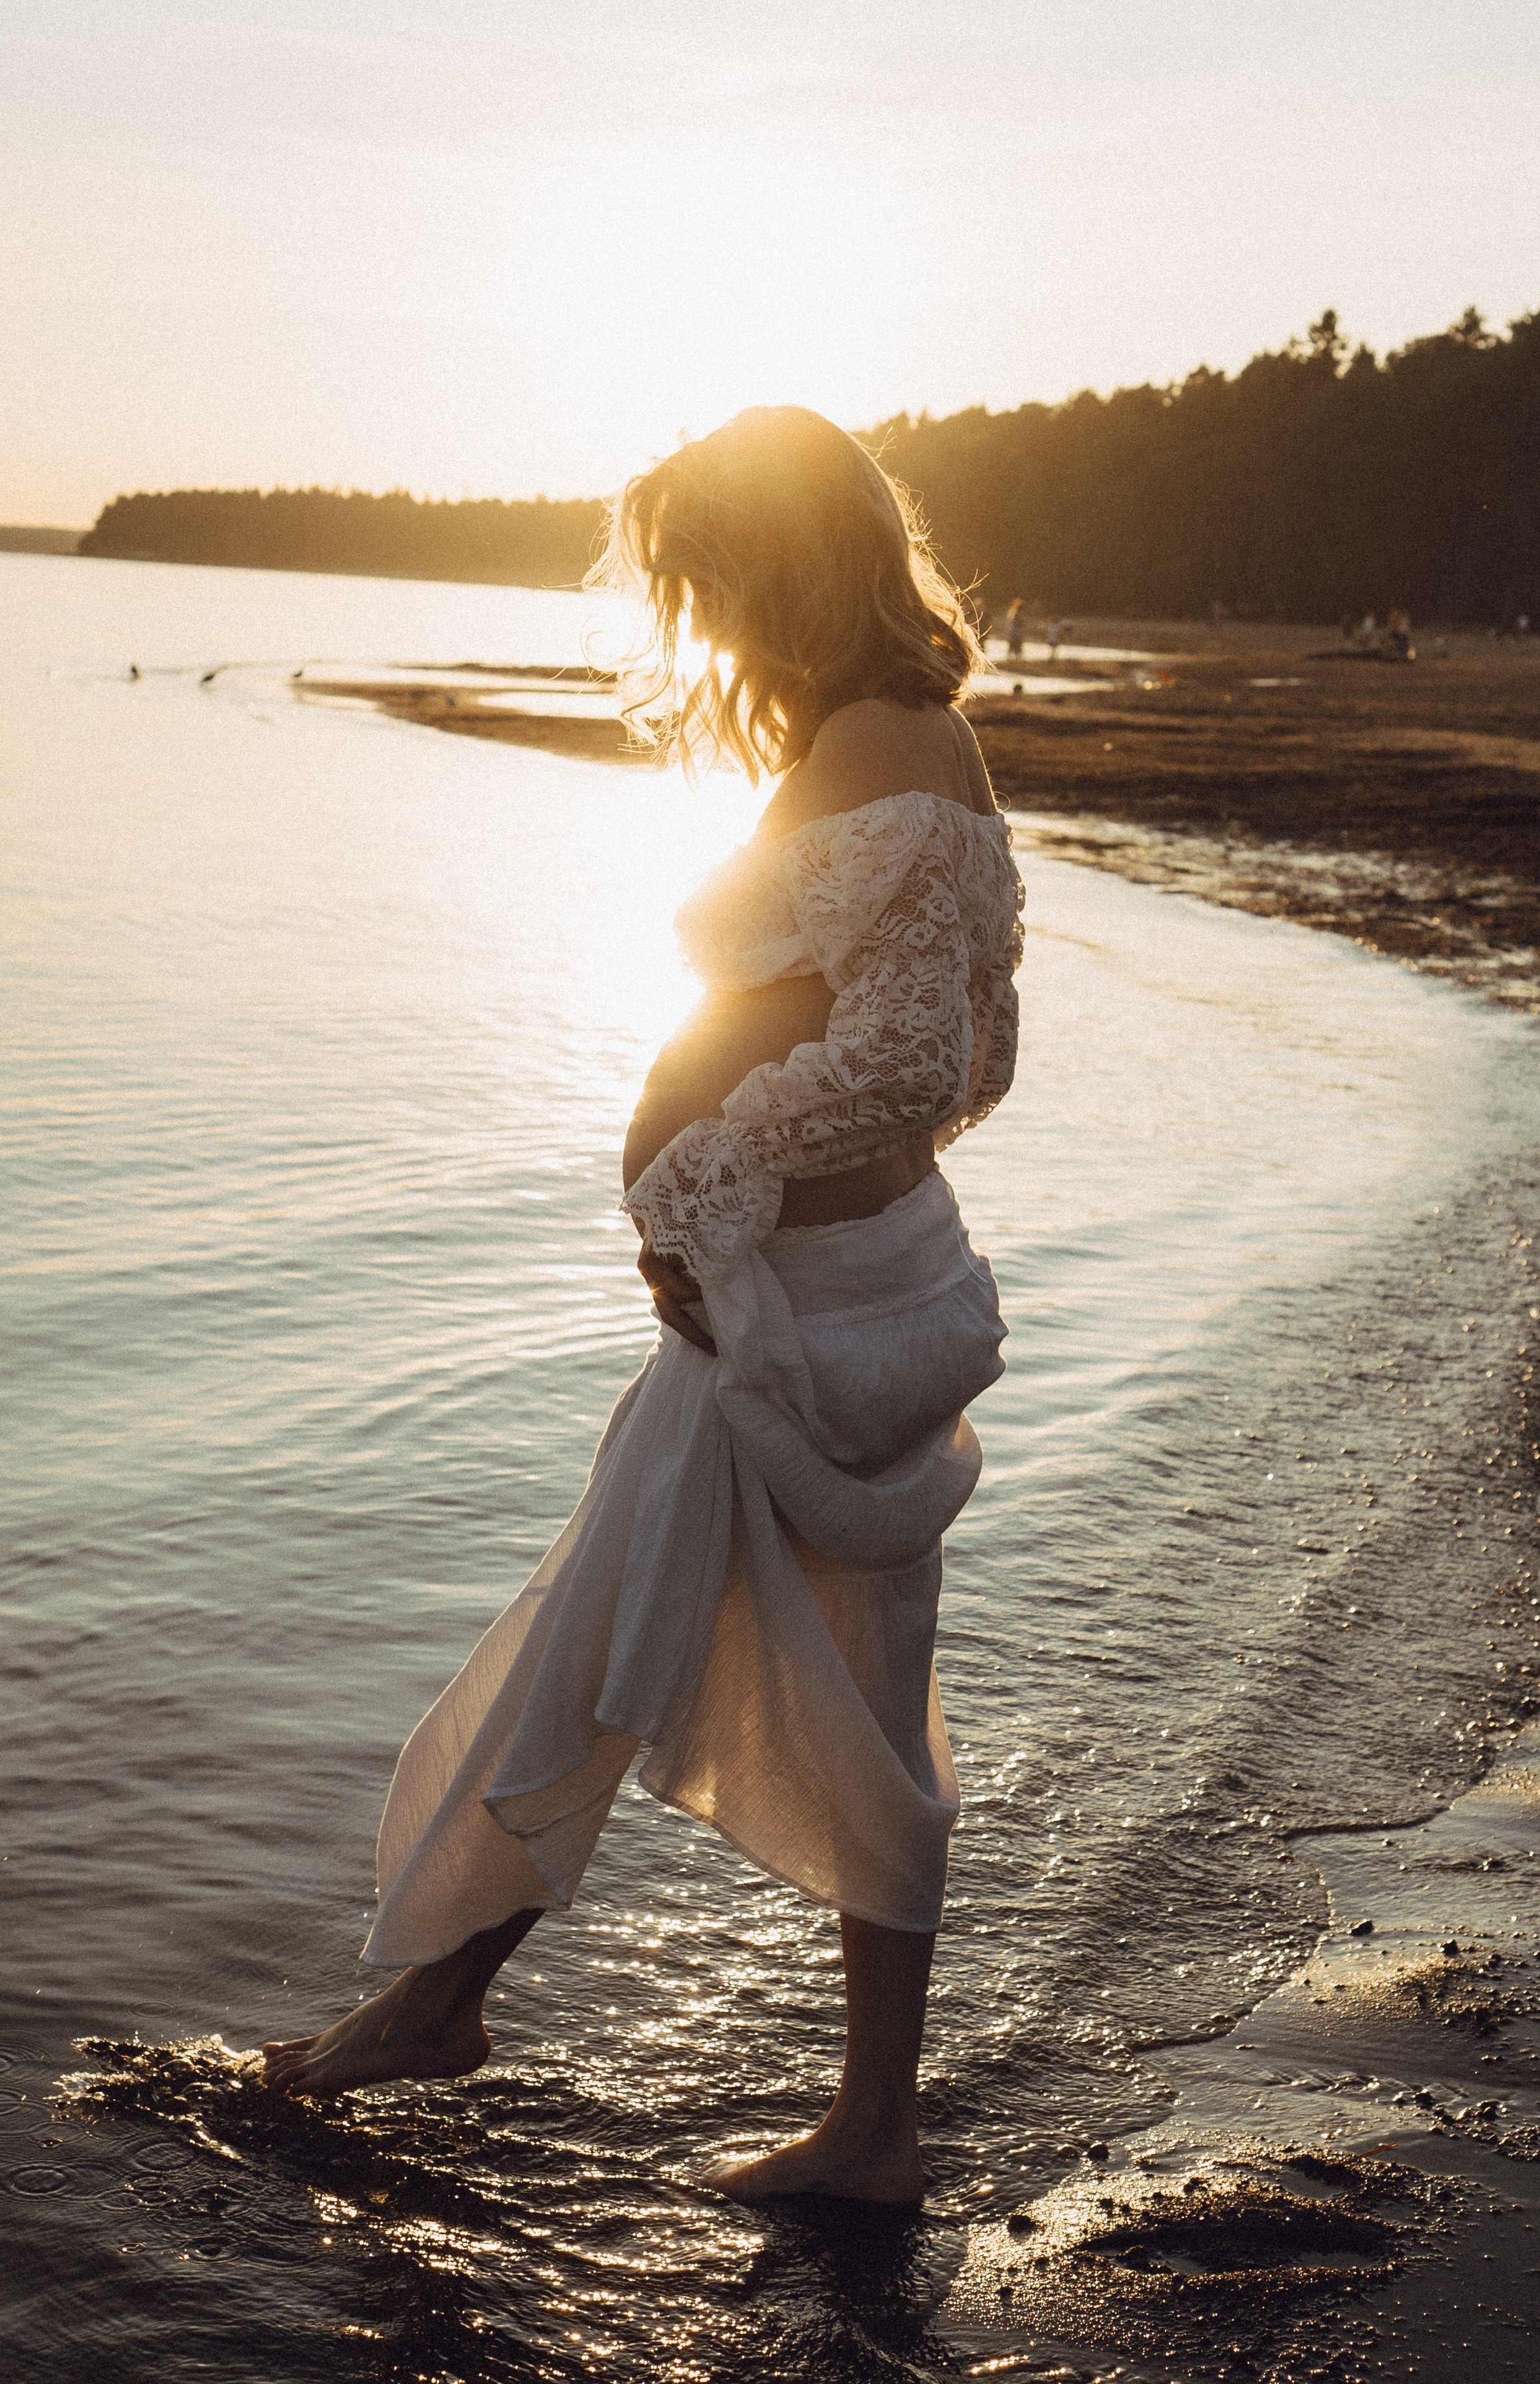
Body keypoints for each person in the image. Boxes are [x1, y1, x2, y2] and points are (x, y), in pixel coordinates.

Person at [259, 406, 1025, 2208]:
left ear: (786, 561)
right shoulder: (913, 735)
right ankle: (853, 2123)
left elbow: (917, 1053)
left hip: (802, 1304)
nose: (702, 619)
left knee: (635, 1646)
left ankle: (461, 2015)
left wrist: (708, 1181)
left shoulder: (877, 742)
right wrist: (721, 1184)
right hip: (835, 1279)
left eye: (710, 577)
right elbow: (957, 1043)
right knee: (710, 1643)